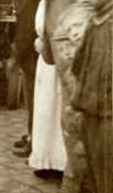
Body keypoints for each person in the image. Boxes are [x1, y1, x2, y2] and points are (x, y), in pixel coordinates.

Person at [42, 0, 95, 193]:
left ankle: (81, 186)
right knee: (70, 118)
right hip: (63, 37)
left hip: (75, 39)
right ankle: (78, 184)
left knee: (77, 116)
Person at [71, 0, 113, 193]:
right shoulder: (95, 23)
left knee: (111, 189)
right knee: (99, 188)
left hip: (110, 120)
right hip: (90, 116)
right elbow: (78, 67)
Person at [28, 0, 68, 176]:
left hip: (60, 57)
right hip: (46, 59)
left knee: (59, 108)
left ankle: (63, 164)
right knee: (45, 110)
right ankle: (47, 160)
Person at [13, 0, 41, 157]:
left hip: (31, 55)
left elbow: (26, 25)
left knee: (33, 100)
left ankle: (34, 140)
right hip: (33, 53)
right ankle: (32, 135)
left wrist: (17, 54)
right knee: (32, 100)